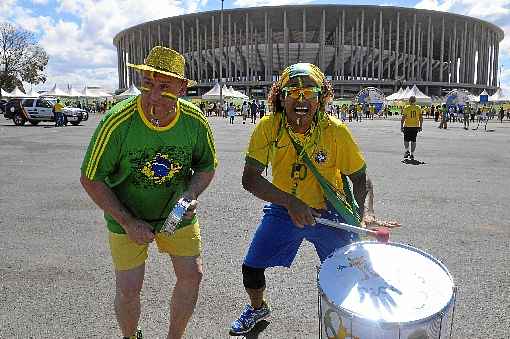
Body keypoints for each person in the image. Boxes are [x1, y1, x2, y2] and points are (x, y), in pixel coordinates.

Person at [229, 63, 395, 335]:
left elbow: (361, 178)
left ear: (322, 98)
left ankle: (351, 325)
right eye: (293, 91)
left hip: (329, 213)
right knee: (252, 267)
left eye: (310, 91)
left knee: (349, 273)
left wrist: (366, 213)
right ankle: (258, 308)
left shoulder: (335, 131)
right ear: (280, 97)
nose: (301, 98)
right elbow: (250, 178)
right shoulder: (269, 126)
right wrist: (290, 203)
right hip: (284, 209)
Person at [80, 46, 217, 339]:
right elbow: (91, 178)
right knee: (129, 290)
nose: (153, 95)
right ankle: (131, 336)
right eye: (147, 84)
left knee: (192, 276)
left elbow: (206, 167)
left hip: (175, 213)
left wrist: (191, 194)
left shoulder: (194, 121)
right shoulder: (117, 122)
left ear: (182, 88)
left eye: (164, 86)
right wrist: (128, 222)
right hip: (124, 215)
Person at [400, 96, 423, 161]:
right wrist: (420, 126)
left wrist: (401, 126)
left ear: (409, 101)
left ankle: (407, 150)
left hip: (407, 126)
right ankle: (412, 154)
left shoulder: (406, 108)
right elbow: (421, 118)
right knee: (413, 140)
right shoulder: (418, 108)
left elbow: (403, 118)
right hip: (415, 126)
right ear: (415, 101)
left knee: (406, 140)